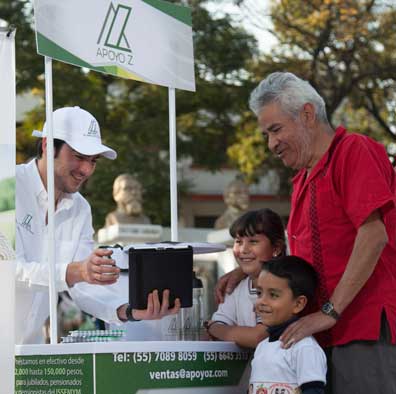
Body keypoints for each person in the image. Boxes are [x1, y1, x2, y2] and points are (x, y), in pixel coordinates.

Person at [216, 72, 396, 393]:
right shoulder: (302, 179)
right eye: (266, 134)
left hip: (362, 330)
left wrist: (330, 312)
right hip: (316, 335)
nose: (271, 144)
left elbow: (374, 236)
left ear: (308, 115)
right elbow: (301, 260)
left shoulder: (353, 150)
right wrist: (245, 273)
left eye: (275, 130)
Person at [16, 106, 179, 344]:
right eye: (79, 156)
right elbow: (9, 271)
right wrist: (77, 271)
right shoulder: (6, 186)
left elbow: (83, 285)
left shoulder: (80, 208)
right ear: (46, 146)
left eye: (93, 161)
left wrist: (129, 310)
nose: (86, 170)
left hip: (29, 350)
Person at [206, 209, 286, 348]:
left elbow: (258, 337)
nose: (243, 249)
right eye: (238, 241)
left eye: (253, 242)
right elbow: (220, 321)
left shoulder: (283, 285)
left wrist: (212, 328)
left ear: (276, 248)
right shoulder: (236, 286)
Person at [250, 256, 327, 394]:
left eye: (273, 295)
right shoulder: (262, 346)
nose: (262, 301)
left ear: (298, 304)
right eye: (259, 293)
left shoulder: (304, 348)